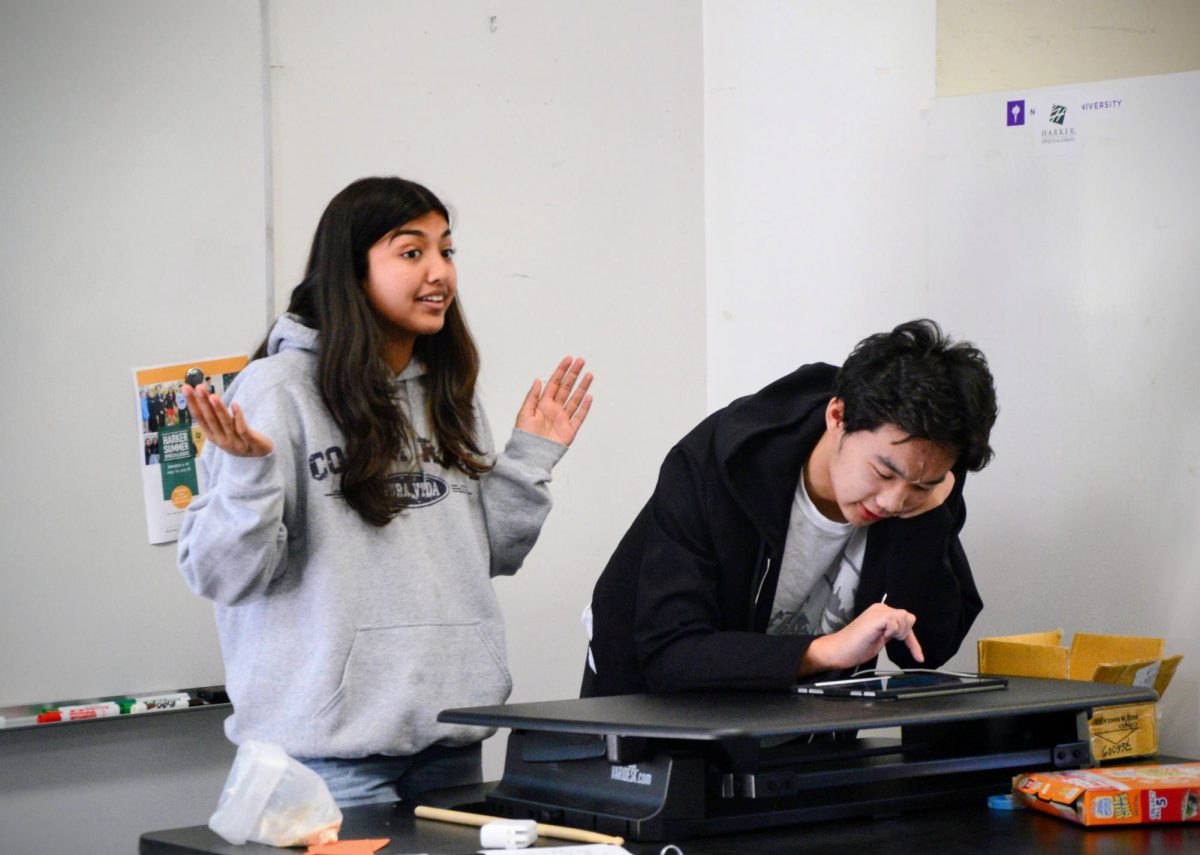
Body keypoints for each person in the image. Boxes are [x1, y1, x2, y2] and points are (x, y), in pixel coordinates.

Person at [177, 176, 593, 806]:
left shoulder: (449, 394)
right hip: (325, 757)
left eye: (446, 251)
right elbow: (225, 576)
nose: (439, 273)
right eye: (411, 252)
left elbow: (492, 557)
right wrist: (246, 476)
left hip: (451, 742)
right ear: (351, 271)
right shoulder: (275, 390)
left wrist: (530, 458)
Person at [582, 319, 996, 698]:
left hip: (797, 737)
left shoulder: (924, 487)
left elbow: (929, 649)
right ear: (838, 415)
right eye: (882, 472)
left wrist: (926, 519)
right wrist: (824, 651)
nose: (892, 501)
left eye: (920, 485)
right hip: (646, 726)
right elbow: (669, 652)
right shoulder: (720, 462)